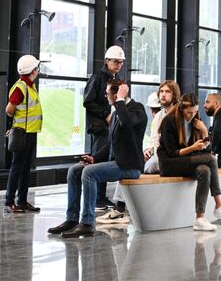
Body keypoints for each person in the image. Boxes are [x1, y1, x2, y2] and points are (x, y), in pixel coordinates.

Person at [51, 78, 148, 238]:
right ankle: (72, 219)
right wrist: (94, 158)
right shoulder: (117, 112)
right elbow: (110, 145)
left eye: (107, 93)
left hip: (130, 166)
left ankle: (88, 223)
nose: (105, 96)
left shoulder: (137, 109)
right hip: (117, 163)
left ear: (116, 95)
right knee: (74, 170)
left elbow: (127, 123)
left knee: (89, 173)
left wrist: (121, 100)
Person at [158, 93, 221, 231]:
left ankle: (200, 218)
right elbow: (172, 153)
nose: (192, 115)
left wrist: (203, 132)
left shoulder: (195, 121)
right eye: (189, 112)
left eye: (195, 112)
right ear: (181, 109)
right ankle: (219, 205)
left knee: (204, 170)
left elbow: (205, 149)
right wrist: (192, 148)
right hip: (169, 163)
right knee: (211, 159)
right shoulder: (169, 121)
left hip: (185, 161)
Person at [83, 45, 126, 211]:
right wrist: (105, 114)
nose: (119, 65)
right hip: (99, 126)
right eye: (116, 62)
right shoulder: (97, 78)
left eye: (121, 62)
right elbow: (88, 101)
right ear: (107, 61)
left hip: (109, 127)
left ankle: (101, 196)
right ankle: (96, 199)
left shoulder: (115, 79)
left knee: (105, 161)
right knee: (98, 162)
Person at [5, 54, 42, 213]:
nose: (38, 70)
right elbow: (9, 109)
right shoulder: (21, 87)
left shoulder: (29, 86)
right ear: (32, 70)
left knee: (25, 168)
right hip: (22, 134)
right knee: (17, 168)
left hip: (30, 132)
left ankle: (22, 201)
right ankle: (9, 201)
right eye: (36, 68)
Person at [143, 80, 180, 174]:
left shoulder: (180, 114)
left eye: (167, 91)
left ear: (174, 94)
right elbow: (154, 139)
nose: (163, 94)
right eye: (161, 91)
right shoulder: (159, 115)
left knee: (150, 166)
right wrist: (149, 150)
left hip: (175, 156)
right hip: (159, 155)